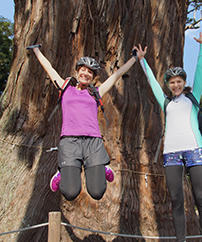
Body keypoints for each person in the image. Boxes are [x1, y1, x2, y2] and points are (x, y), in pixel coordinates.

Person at [135, 31, 202, 242]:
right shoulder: (166, 102)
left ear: (184, 82)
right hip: (171, 153)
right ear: (169, 86)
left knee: (201, 199)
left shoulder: (193, 97)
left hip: (195, 150)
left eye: (179, 81)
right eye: (172, 82)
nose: (176, 84)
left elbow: (200, 71)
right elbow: (151, 82)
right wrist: (142, 60)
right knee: (176, 202)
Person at [27, 44, 141, 201]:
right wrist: (36, 50)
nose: (86, 73)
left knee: (97, 192)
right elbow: (49, 68)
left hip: (93, 142)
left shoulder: (96, 93)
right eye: (83, 69)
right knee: (70, 192)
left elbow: (117, 75)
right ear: (78, 71)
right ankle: (62, 172)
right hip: (70, 142)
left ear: (93, 77)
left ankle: (102, 167)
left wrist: (135, 58)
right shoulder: (65, 88)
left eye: (90, 72)